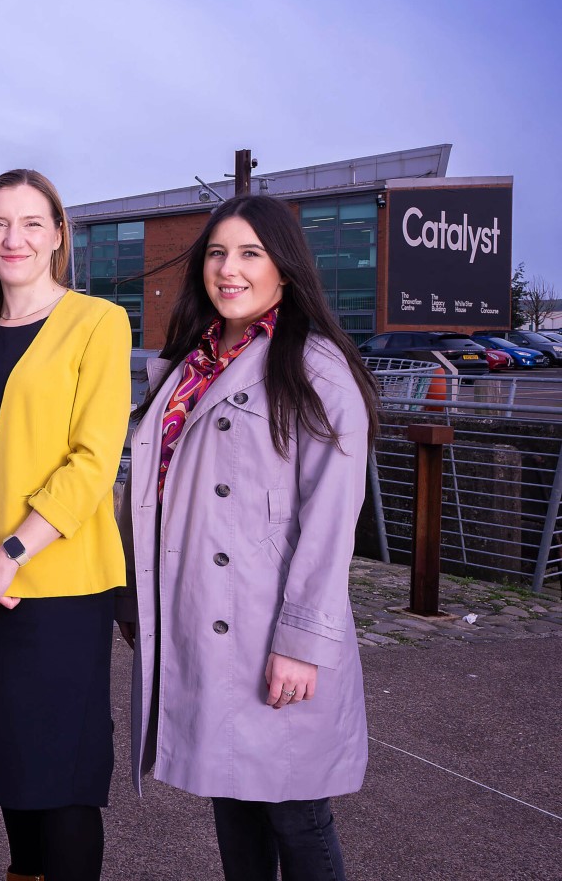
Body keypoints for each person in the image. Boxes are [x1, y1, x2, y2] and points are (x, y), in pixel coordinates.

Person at [118, 194, 377, 881]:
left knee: (295, 810)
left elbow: (330, 523)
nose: (229, 270)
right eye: (217, 253)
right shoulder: (190, 364)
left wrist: (300, 642)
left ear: (285, 270)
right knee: (230, 795)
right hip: (204, 616)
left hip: (267, 626)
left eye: (250, 254)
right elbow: (150, 494)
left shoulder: (318, 370)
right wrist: (135, 599)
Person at [0, 169, 132, 881]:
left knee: (61, 775)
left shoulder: (98, 323)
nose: (14, 238)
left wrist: (8, 554)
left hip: (60, 588)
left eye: (32, 223)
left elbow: (93, 460)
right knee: (5, 756)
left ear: (58, 237)